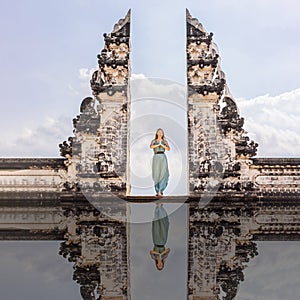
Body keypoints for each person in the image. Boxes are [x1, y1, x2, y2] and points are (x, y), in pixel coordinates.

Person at [149, 128, 170, 197]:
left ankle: (160, 190)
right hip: (156, 157)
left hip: (163, 156)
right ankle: (157, 190)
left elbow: (168, 149)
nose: (160, 133)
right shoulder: (154, 141)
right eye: (159, 132)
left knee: (163, 173)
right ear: (157, 133)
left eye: (161, 132)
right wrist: (158, 145)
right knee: (156, 174)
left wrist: (162, 145)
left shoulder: (165, 141)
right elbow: (151, 146)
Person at [149, 203, 171, 271]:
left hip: (156, 241)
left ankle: (157, 208)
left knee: (156, 224)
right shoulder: (165, 257)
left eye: (159, 266)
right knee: (163, 225)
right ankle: (160, 208)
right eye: (161, 266)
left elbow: (151, 251)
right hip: (162, 241)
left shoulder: (154, 258)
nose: (160, 265)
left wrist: (158, 254)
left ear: (157, 265)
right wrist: (161, 254)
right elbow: (168, 249)